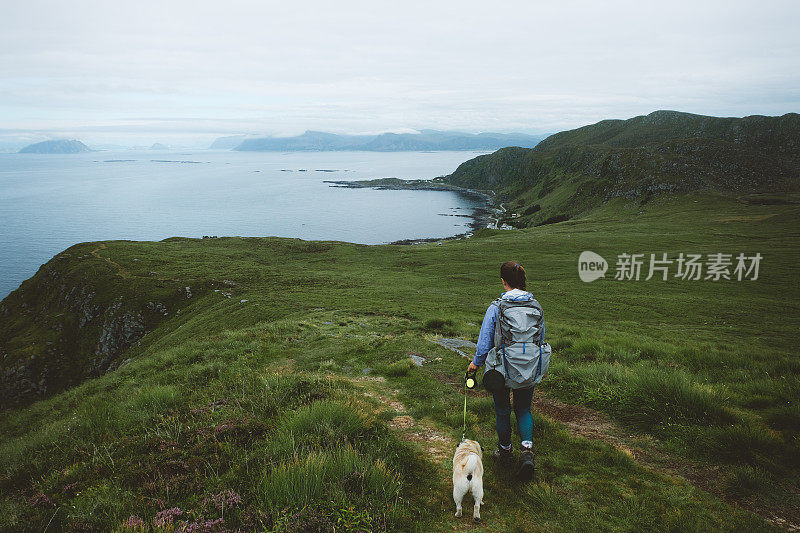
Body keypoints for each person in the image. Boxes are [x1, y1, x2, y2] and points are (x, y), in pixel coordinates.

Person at [467, 261, 539, 481]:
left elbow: (484, 342)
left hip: (501, 368)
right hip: (528, 366)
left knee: (502, 410)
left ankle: (505, 451)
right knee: (524, 409)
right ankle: (526, 451)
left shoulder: (496, 307)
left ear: (503, 281)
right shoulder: (535, 305)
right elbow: (540, 338)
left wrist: (476, 364)